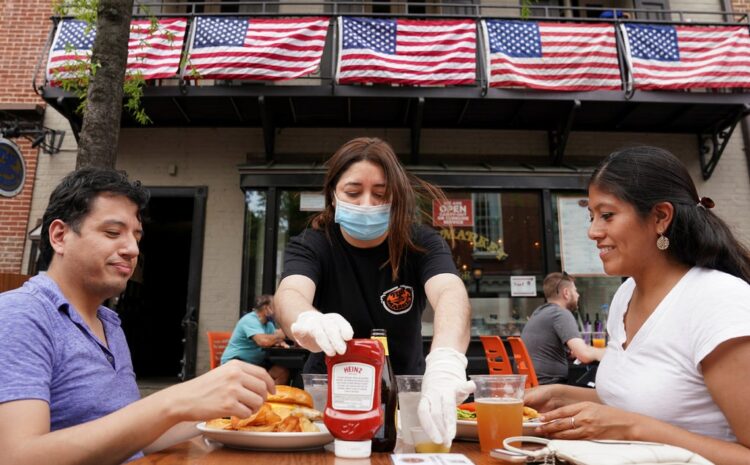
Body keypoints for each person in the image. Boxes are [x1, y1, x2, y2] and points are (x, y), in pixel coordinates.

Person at [0, 168, 275, 465]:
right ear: (59, 235)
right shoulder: (20, 313)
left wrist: (218, 407)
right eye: (112, 233)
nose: (132, 249)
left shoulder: (109, 323)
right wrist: (172, 401)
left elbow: (128, 437)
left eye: (136, 236)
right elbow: (18, 456)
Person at [524, 147, 750, 465]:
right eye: (591, 216)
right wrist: (559, 395)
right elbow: (645, 400)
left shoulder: (719, 301)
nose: (592, 232)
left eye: (607, 215)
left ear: (660, 217)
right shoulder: (627, 294)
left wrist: (633, 428)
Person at [274, 137, 473, 446]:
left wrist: (446, 362)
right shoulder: (312, 245)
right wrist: (308, 320)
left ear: (397, 199)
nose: (367, 204)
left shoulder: (420, 243)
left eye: (381, 194)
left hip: (406, 397)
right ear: (333, 195)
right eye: (353, 192)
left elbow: (450, 293)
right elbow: (289, 293)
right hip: (328, 393)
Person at [521, 272, 605, 385]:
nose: (578, 295)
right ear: (566, 293)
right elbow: (584, 355)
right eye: (575, 290)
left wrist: (570, 352)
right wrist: (610, 352)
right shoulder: (560, 314)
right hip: (549, 386)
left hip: (533, 384)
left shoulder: (538, 313)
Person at [221, 294, 290, 385]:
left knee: (282, 372)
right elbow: (263, 341)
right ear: (267, 308)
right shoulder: (250, 320)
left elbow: (272, 339)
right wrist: (280, 336)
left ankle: (272, 398)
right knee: (257, 379)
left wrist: (279, 342)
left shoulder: (268, 323)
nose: (278, 311)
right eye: (275, 307)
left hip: (255, 363)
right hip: (236, 362)